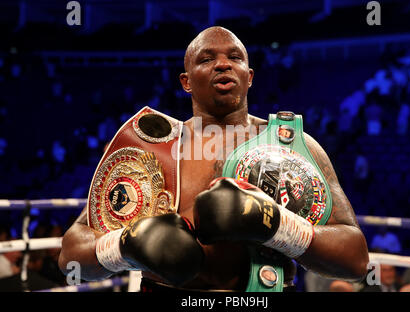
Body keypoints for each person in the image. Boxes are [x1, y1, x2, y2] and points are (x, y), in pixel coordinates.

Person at [58, 26, 369, 292]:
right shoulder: (151, 151)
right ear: (186, 81)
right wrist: (124, 246)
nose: (223, 64)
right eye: (206, 59)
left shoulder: (293, 147)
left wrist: (277, 225)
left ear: (249, 77)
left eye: (234, 57)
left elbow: (355, 258)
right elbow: (72, 256)